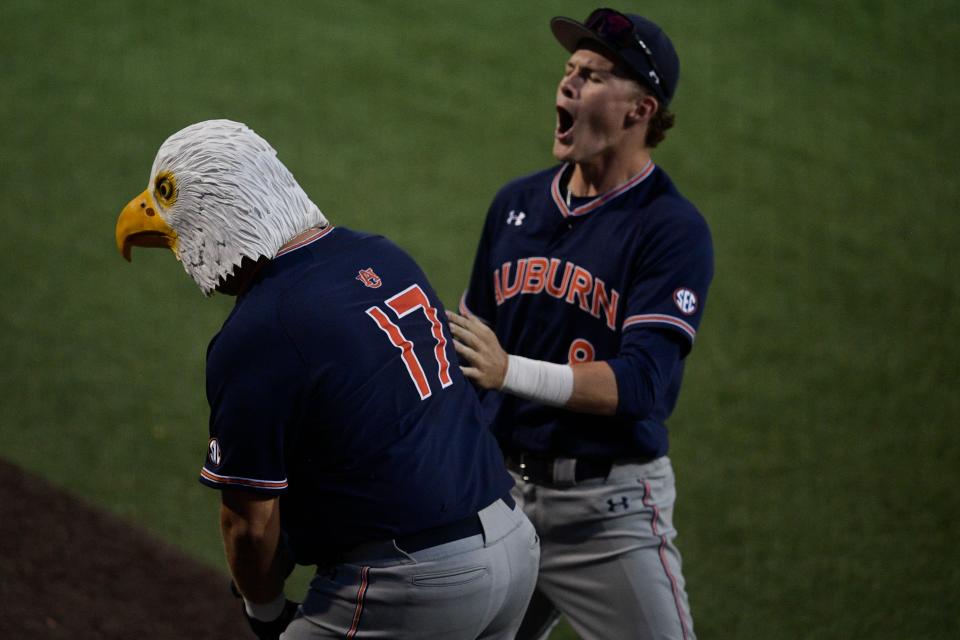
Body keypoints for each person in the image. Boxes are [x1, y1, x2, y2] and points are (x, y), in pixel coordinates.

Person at [114, 119, 539, 640]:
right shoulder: (384, 255)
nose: (143, 211)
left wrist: (264, 612)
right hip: (514, 545)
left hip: (417, 585)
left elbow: (247, 525)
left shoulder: (260, 329)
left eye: (167, 193)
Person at [447, 9, 713, 640]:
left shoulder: (671, 229)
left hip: (607, 518)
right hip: (501, 502)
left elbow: (644, 383)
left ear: (639, 110)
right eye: (568, 71)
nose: (567, 85)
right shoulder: (515, 203)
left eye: (591, 76)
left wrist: (511, 372)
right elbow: (469, 352)